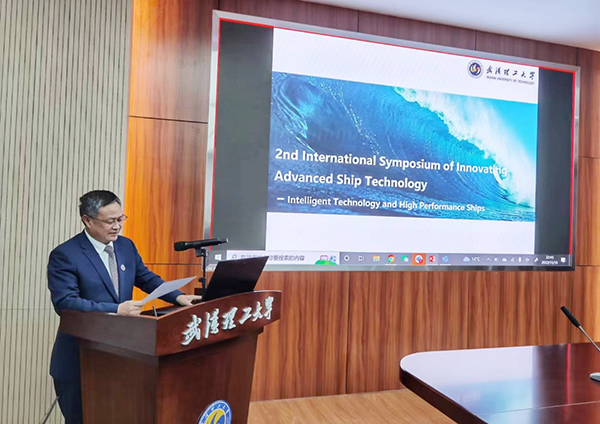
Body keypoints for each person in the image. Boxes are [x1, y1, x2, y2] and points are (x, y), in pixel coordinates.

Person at [47, 190, 201, 423]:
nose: (117, 226)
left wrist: (178, 297)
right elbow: (65, 303)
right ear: (87, 220)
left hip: (122, 355)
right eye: (110, 221)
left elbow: (145, 278)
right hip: (81, 359)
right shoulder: (66, 254)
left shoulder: (125, 246)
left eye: (121, 219)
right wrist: (116, 309)